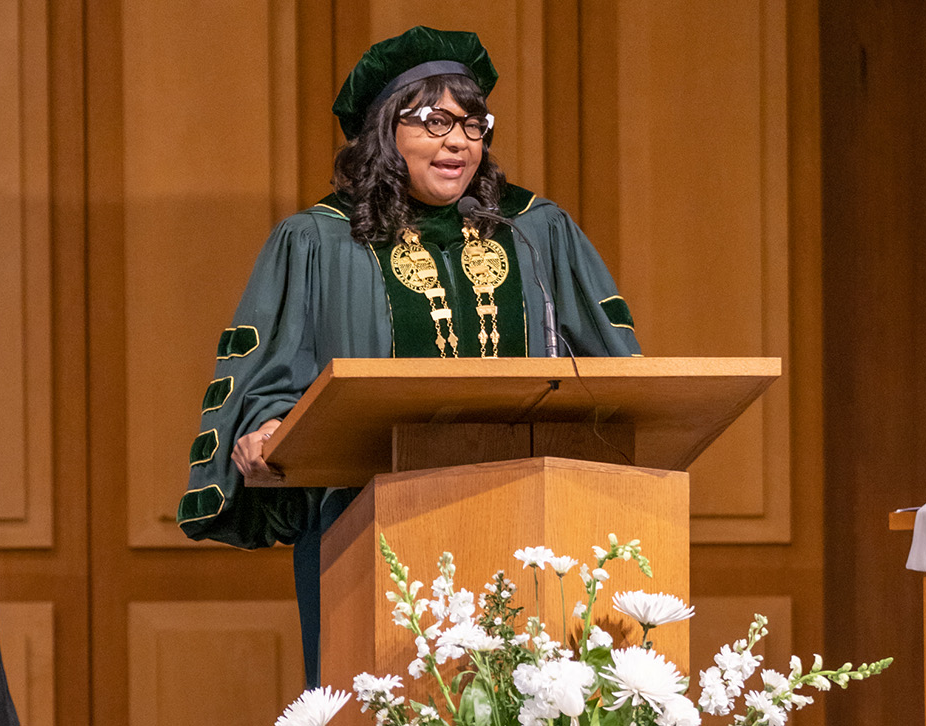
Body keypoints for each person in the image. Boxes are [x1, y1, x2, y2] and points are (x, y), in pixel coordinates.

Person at [174, 27, 642, 685]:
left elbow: (617, 370)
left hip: (535, 527)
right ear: (382, 133)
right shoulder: (320, 241)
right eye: (433, 121)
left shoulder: (534, 231)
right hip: (367, 529)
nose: (458, 141)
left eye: (472, 123)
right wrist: (270, 426)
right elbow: (276, 368)